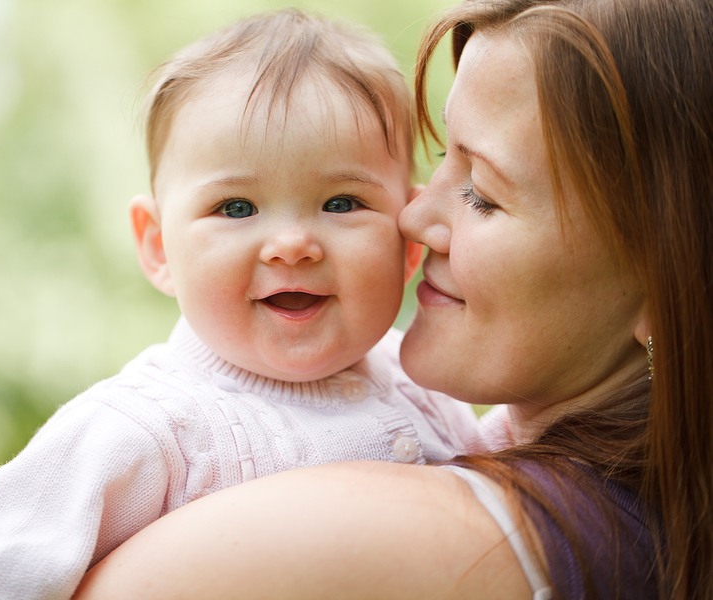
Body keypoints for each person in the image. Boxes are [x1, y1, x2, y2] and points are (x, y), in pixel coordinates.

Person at [72, 0, 713, 599]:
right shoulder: (659, 511)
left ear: (670, 283)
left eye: (483, 193)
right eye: (441, 162)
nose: (411, 216)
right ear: (156, 241)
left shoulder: (440, 537)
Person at [0, 9, 483, 600]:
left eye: (342, 203)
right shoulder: (146, 427)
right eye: (237, 208)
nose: (293, 245)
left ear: (406, 238)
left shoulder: (424, 381)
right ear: (158, 245)